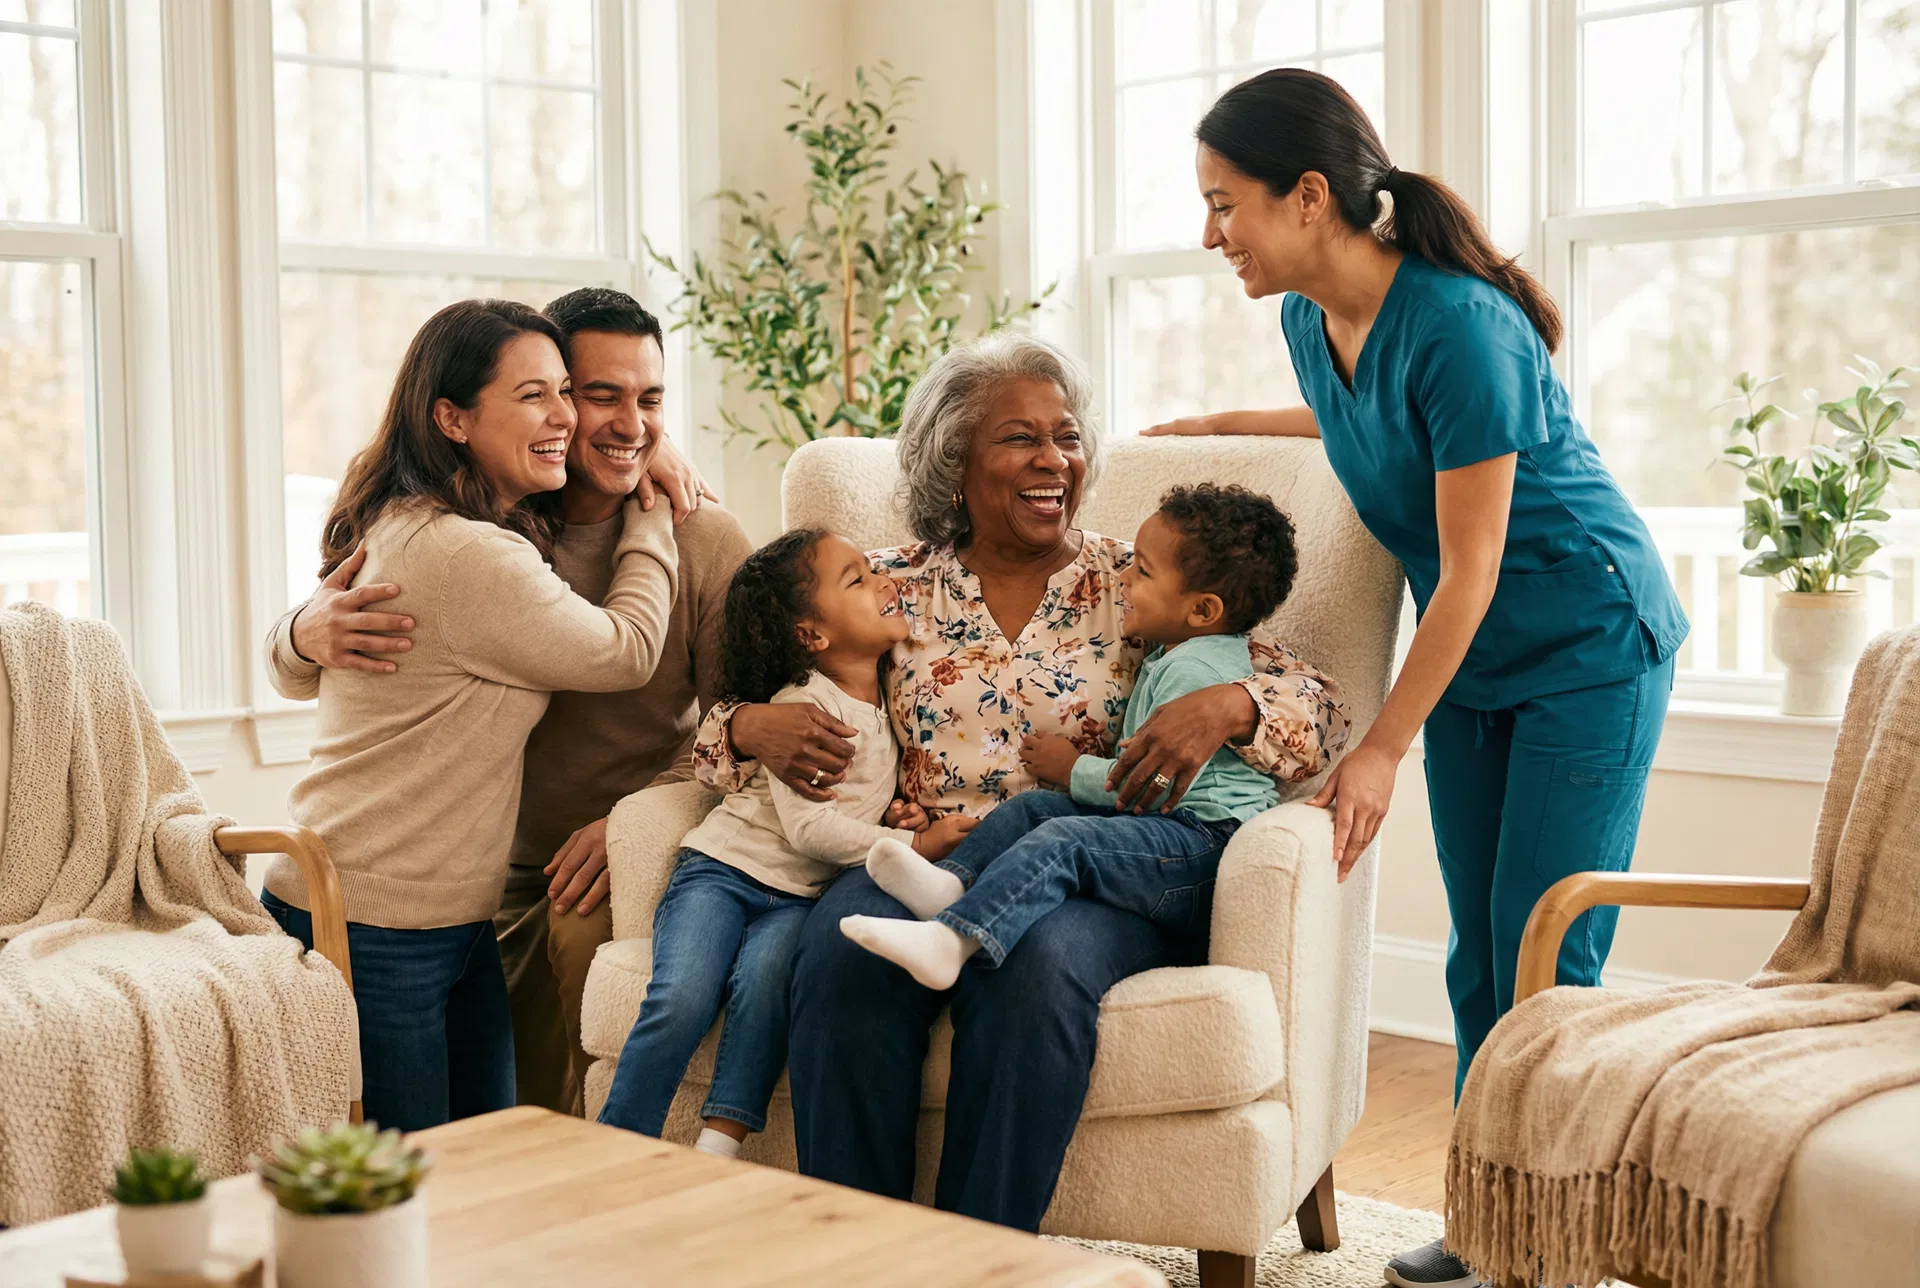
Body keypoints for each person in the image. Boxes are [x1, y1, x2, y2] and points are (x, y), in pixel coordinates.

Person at [1154, 69, 1688, 1288]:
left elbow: (1470, 568)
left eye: (1224, 203)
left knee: (1548, 950)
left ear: (1306, 196)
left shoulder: (1463, 327)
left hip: (1589, 647)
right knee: (1475, 956)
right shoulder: (1308, 319)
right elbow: (1359, 422)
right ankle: (1491, 1207)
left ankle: (1555, 1234)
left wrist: (1381, 747)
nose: (1209, 234)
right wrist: (1204, 430)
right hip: (1485, 667)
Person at [689, 332, 1349, 1230]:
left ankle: (985, 1256)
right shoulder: (884, 591)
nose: (1054, 459)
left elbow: (1319, 710)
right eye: (1020, 439)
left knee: (1037, 969)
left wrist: (1233, 703)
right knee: (842, 951)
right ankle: (864, 1253)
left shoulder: (1145, 584)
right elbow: (715, 736)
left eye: (1067, 436)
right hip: (922, 859)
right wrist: (750, 726)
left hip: (1094, 876)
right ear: (953, 462)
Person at [270, 288, 752, 1115]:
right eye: (591, 393)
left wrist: (639, 817)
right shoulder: (493, 528)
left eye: (651, 401)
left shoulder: (701, 535)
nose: (624, 423)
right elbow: (622, 649)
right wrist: (298, 633)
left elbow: (741, 717)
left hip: (566, 871)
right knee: (429, 1162)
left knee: (496, 1145)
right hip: (419, 895)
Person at [597, 529, 976, 1156]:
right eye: (857, 579)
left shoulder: (890, 703)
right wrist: (912, 846)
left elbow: (857, 800)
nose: (884, 580)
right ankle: (619, 1145)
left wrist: (896, 813)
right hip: (722, 873)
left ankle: (718, 1147)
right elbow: (810, 828)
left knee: (766, 996)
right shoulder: (806, 707)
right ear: (812, 635)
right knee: (682, 996)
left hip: (799, 898)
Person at [840, 483, 1296, 990]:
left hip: (1202, 844)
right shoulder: (1176, 651)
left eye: (1141, 571)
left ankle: (953, 938)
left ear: (1203, 611)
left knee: (1063, 837)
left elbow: (1154, 786)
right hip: (1168, 832)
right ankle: (954, 884)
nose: (1121, 577)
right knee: (1033, 810)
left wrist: (1070, 768)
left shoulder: (1195, 669)